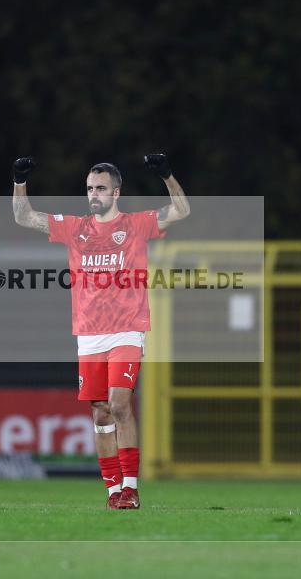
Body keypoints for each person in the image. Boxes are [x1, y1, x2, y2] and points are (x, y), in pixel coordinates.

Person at [11, 154, 190, 509]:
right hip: (90, 334)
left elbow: (181, 210)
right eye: (90, 188)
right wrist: (19, 180)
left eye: (101, 188)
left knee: (120, 404)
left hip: (127, 329)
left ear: (116, 192)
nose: (94, 194)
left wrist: (168, 175)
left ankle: (131, 488)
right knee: (100, 412)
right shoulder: (75, 227)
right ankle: (113, 493)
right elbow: (23, 216)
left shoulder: (136, 224)